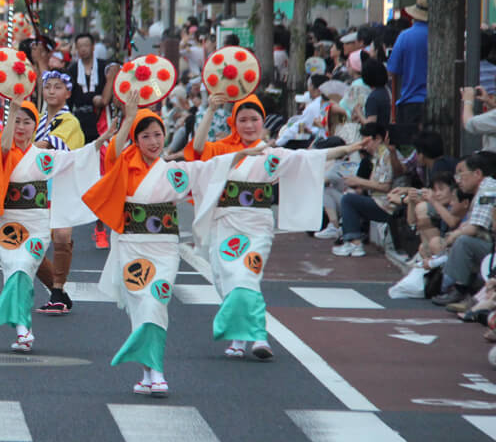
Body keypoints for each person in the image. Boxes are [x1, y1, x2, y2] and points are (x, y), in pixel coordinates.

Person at [81, 91, 253, 397]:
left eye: (158, 135)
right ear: (137, 140)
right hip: (132, 245)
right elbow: (115, 148)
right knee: (140, 307)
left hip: (165, 249)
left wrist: (241, 155)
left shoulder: (173, 172)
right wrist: (129, 117)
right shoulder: (124, 165)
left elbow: (206, 169)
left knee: (155, 303)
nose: (153, 141)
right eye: (145, 136)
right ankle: (149, 372)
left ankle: (156, 370)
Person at [186, 93, 359, 360]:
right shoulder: (222, 150)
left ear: (262, 122)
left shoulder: (272, 155)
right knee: (227, 280)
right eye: (242, 119)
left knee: (247, 276)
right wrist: (209, 110)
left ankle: (258, 336)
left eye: (254, 119)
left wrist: (347, 149)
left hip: (257, 225)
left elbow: (308, 158)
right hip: (225, 224)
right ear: (234, 122)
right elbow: (197, 148)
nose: (248, 125)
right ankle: (238, 338)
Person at [0, 94, 106, 352]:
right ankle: (23, 329)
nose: (21, 127)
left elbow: (76, 158)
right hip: (9, 224)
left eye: (26, 122)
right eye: (16, 121)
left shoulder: (43, 157)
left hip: (37, 223)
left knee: (25, 265)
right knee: (15, 270)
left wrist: (103, 139)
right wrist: (12, 111)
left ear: (35, 127)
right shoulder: (3, 152)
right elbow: (4, 148)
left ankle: (22, 328)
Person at [31, 71, 87, 314]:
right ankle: (59, 290)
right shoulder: (37, 120)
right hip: (38, 187)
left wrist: (32, 146)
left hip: (63, 185)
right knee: (30, 245)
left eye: (58, 87)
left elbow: (53, 145)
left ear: (67, 93)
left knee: (61, 237)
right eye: (48, 87)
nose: (52, 91)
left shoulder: (70, 121)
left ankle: (56, 290)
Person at [431, 153, 496, 306]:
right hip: (490, 247)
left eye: (462, 173)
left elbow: (475, 228)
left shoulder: (488, 190)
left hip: (492, 249)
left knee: (463, 241)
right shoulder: (484, 189)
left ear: (477, 173)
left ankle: (460, 289)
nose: (458, 179)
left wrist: (453, 236)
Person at [329, 122, 394, 256]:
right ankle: (351, 239)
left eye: (367, 141)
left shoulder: (386, 155)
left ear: (378, 139)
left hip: (386, 204)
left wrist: (359, 181)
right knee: (350, 196)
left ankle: (355, 243)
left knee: (348, 200)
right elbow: (374, 183)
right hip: (378, 200)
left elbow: (386, 186)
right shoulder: (377, 156)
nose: (364, 145)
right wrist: (359, 186)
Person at [386, 0, 429, 127]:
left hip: (410, 102)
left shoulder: (405, 37)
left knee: (410, 146)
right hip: (440, 104)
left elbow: (392, 71)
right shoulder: (442, 36)